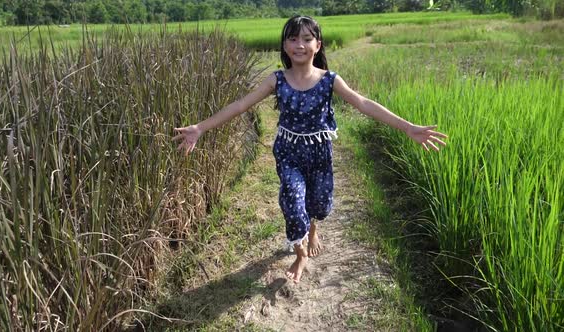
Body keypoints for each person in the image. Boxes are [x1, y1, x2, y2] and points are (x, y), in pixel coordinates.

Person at [172, 15, 447, 283]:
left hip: (319, 154)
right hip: (288, 153)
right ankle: (300, 253)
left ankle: (313, 228)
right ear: (284, 46)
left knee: (319, 204)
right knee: (293, 200)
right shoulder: (276, 80)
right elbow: (241, 105)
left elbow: (363, 103)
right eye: (292, 38)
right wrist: (201, 127)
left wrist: (407, 127)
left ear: (318, 45)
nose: (299, 44)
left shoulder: (330, 80)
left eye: (306, 38)